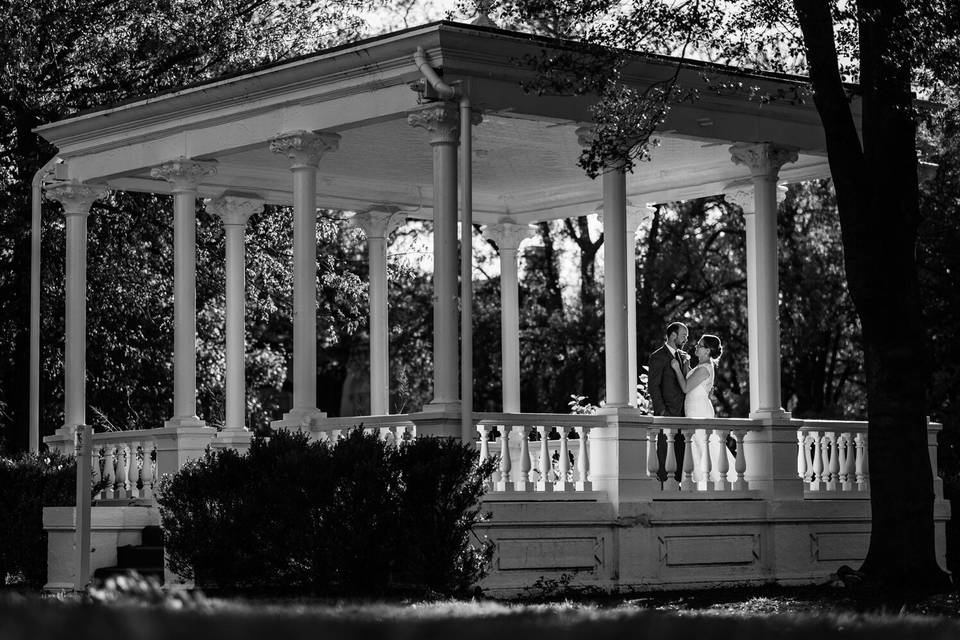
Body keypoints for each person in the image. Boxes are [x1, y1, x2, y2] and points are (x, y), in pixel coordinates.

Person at [670, 334, 722, 418]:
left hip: (699, 412)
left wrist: (677, 369)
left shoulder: (704, 369)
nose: (696, 346)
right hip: (695, 410)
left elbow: (686, 388)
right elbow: (693, 380)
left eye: (699, 345)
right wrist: (687, 365)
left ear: (707, 351)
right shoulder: (703, 366)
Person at [648, 322, 690, 416]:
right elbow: (653, 386)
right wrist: (662, 411)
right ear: (673, 335)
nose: (686, 339)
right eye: (684, 335)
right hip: (667, 413)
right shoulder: (657, 356)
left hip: (684, 413)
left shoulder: (683, 357)